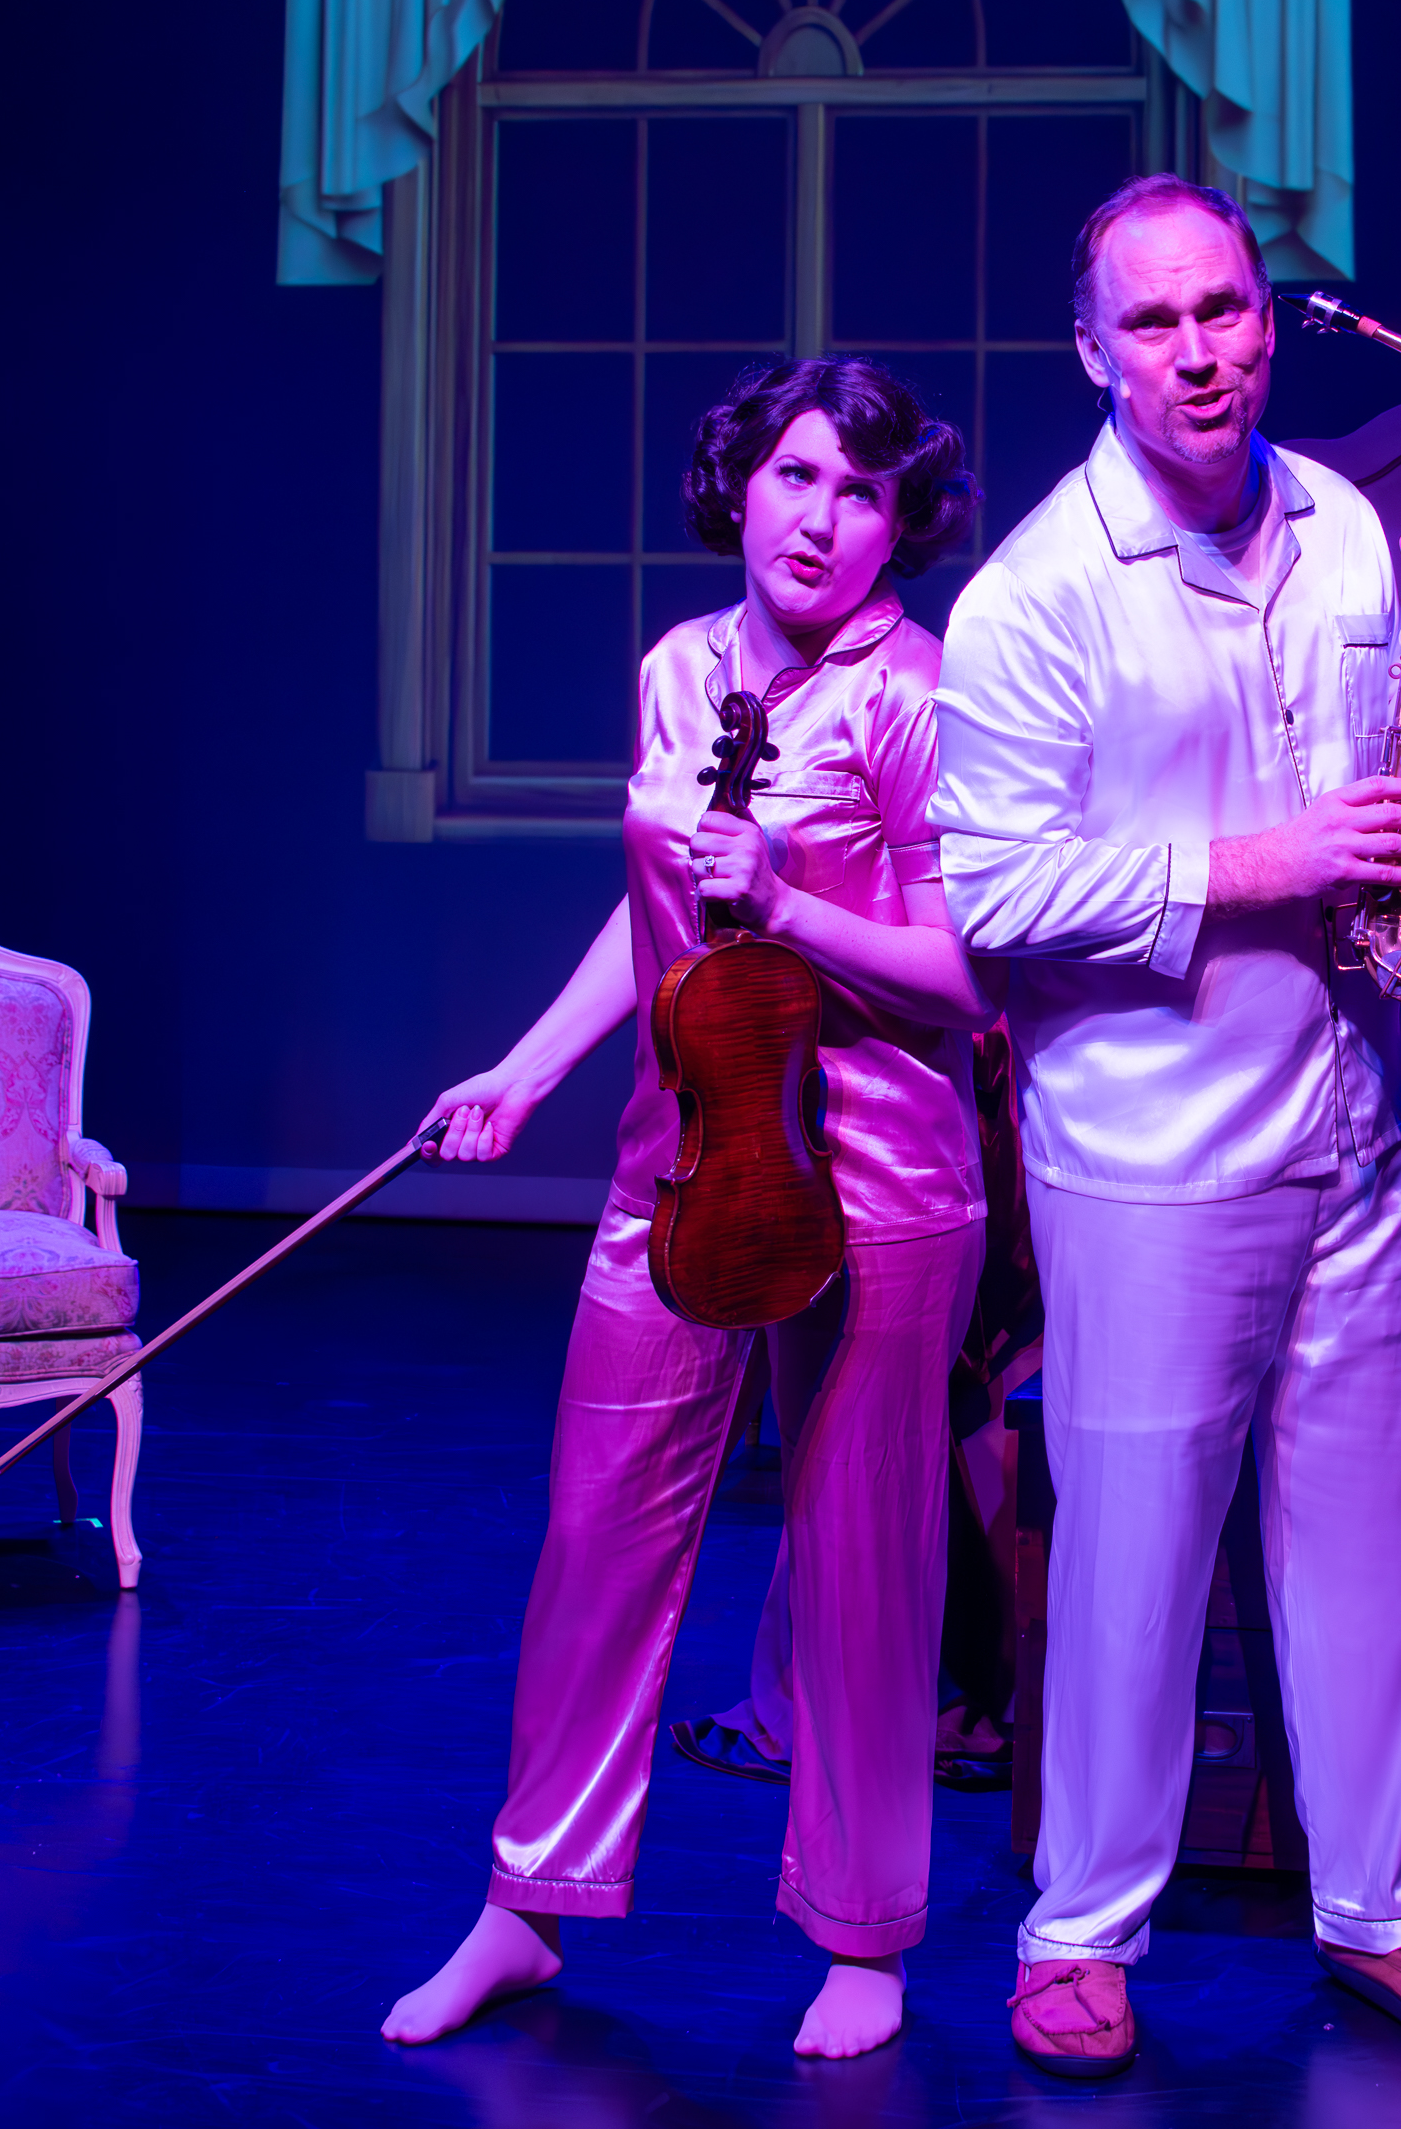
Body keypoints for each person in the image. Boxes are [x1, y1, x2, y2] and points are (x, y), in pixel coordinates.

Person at [928, 175, 1401, 2076]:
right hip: (1154, 1163)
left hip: (1361, 1123)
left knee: (1372, 1555)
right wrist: (1263, 863)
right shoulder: (1033, 596)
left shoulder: (1353, 527)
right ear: (1094, 353)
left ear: (1267, 322)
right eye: (1157, 322)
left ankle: (1393, 1910)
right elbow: (994, 895)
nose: (1201, 352)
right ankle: (1078, 1935)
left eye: (1227, 310)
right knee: (1130, 1573)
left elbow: (1391, 793)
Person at [381, 357, 991, 2060]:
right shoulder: (675, 672)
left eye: (863, 492)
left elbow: (966, 982)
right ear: (743, 486)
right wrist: (522, 1072)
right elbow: (650, 912)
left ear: (901, 523)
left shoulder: (919, 697)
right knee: (598, 1533)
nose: (823, 519)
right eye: (798, 476)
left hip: (877, 1176)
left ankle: (864, 1940)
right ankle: (526, 1907)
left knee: (860, 1563)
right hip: (685, 1152)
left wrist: (788, 905)